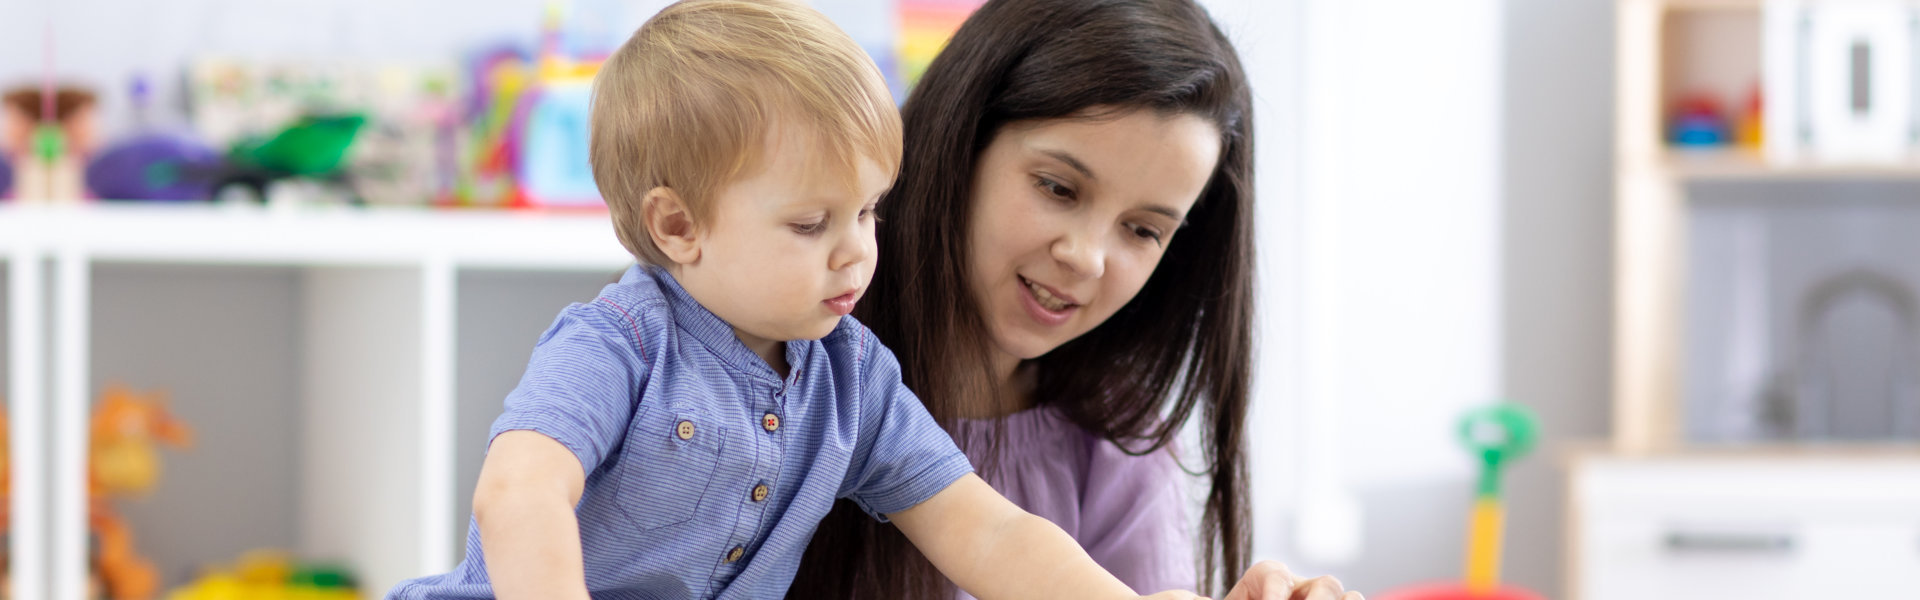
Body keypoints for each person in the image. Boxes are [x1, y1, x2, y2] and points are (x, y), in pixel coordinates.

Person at [387, 1, 1210, 598]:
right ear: (678, 225)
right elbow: (520, 491)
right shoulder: (618, 345)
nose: (857, 249)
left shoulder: (855, 379)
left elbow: (988, 532)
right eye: (813, 222)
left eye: (867, 211)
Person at [791, 1, 1362, 599]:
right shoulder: (787, 369)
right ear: (961, 140)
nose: (1086, 257)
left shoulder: (1114, 439)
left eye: (1143, 230)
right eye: (1058, 188)